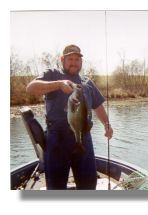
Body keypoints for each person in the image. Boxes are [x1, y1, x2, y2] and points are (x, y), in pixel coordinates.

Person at [26, 44, 113, 190]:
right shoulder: (52, 74)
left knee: (88, 185)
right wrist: (59, 84)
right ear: (62, 60)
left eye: (77, 59)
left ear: (81, 62)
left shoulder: (87, 82)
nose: (74, 62)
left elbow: (98, 106)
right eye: (70, 59)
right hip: (56, 139)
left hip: (83, 137)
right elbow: (30, 88)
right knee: (56, 186)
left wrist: (107, 124)